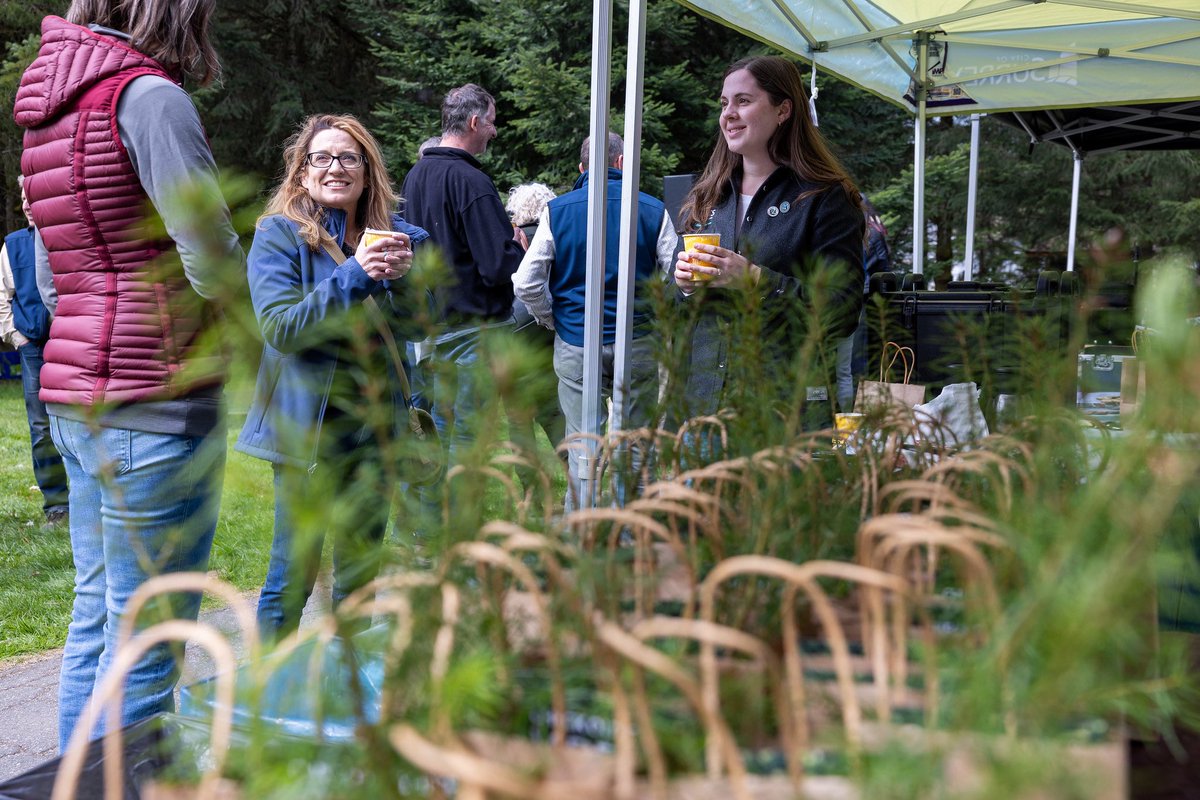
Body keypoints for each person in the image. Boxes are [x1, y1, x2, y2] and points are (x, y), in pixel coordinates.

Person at [14, 0, 245, 748]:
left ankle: (74, 784)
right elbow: (211, 262)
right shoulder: (149, 98)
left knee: (100, 619)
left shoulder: (51, 108)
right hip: (155, 396)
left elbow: (55, 264)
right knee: (148, 639)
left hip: (79, 395)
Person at [235, 114, 428, 642]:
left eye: (349, 157)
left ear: (368, 172)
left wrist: (407, 283)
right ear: (302, 172)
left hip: (376, 429)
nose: (336, 167)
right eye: (322, 157)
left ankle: (348, 691)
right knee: (293, 572)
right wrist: (357, 273)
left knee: (362, 573)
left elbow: (417, 327)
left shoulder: (396, 235)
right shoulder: (278, 236)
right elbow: (282, 329)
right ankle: (269, 689)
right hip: (309, 434)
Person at [672, 55, 864, 426]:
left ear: (783, 110)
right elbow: (675, 310)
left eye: (743, 101)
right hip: (704, 411)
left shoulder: (826, 198)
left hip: (783, 414)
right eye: (724, 103)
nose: (728, 114)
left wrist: (757, 281)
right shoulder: (709, 198)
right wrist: (683, 287)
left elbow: (841, 313)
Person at [513, 133, 677, 509]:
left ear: (582, 168)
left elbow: (526, 282)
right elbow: (676, 275)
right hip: (637, 341)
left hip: (575, 341)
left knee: (582, 443)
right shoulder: (652, 209)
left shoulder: (559, 210)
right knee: (634, 444)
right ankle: (630, 534)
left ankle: (579, 534)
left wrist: (550, 317)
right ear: (621, 164)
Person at [400, 84, 528, 465]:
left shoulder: (415, 176)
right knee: (470, 437)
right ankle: (458, 520)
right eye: (491, 122)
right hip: (476, 334)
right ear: (474, 122)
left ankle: (433, 519)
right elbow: (496, 267)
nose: (494, 131)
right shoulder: (472, 182)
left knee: (440, 427)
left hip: (435, 328)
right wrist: (518, 248)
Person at [0, 176, 68, 527]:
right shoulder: (12, 245)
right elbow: (2, 299)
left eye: (33, 197)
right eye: (23, 198)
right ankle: (57, 505)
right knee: (41, 427)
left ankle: (96, 498)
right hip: (33, 350)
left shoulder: (67, 238)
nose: (26, 204)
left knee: (82, 420)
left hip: (72, 344)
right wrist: (17, 337)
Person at [504, 182, 566, 486]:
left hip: (511, 349)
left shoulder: (507, 241)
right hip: (547, 346)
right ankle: (581, 487)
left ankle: (531, 497)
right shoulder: (554, 238)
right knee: (558, 420)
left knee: (519, 427)